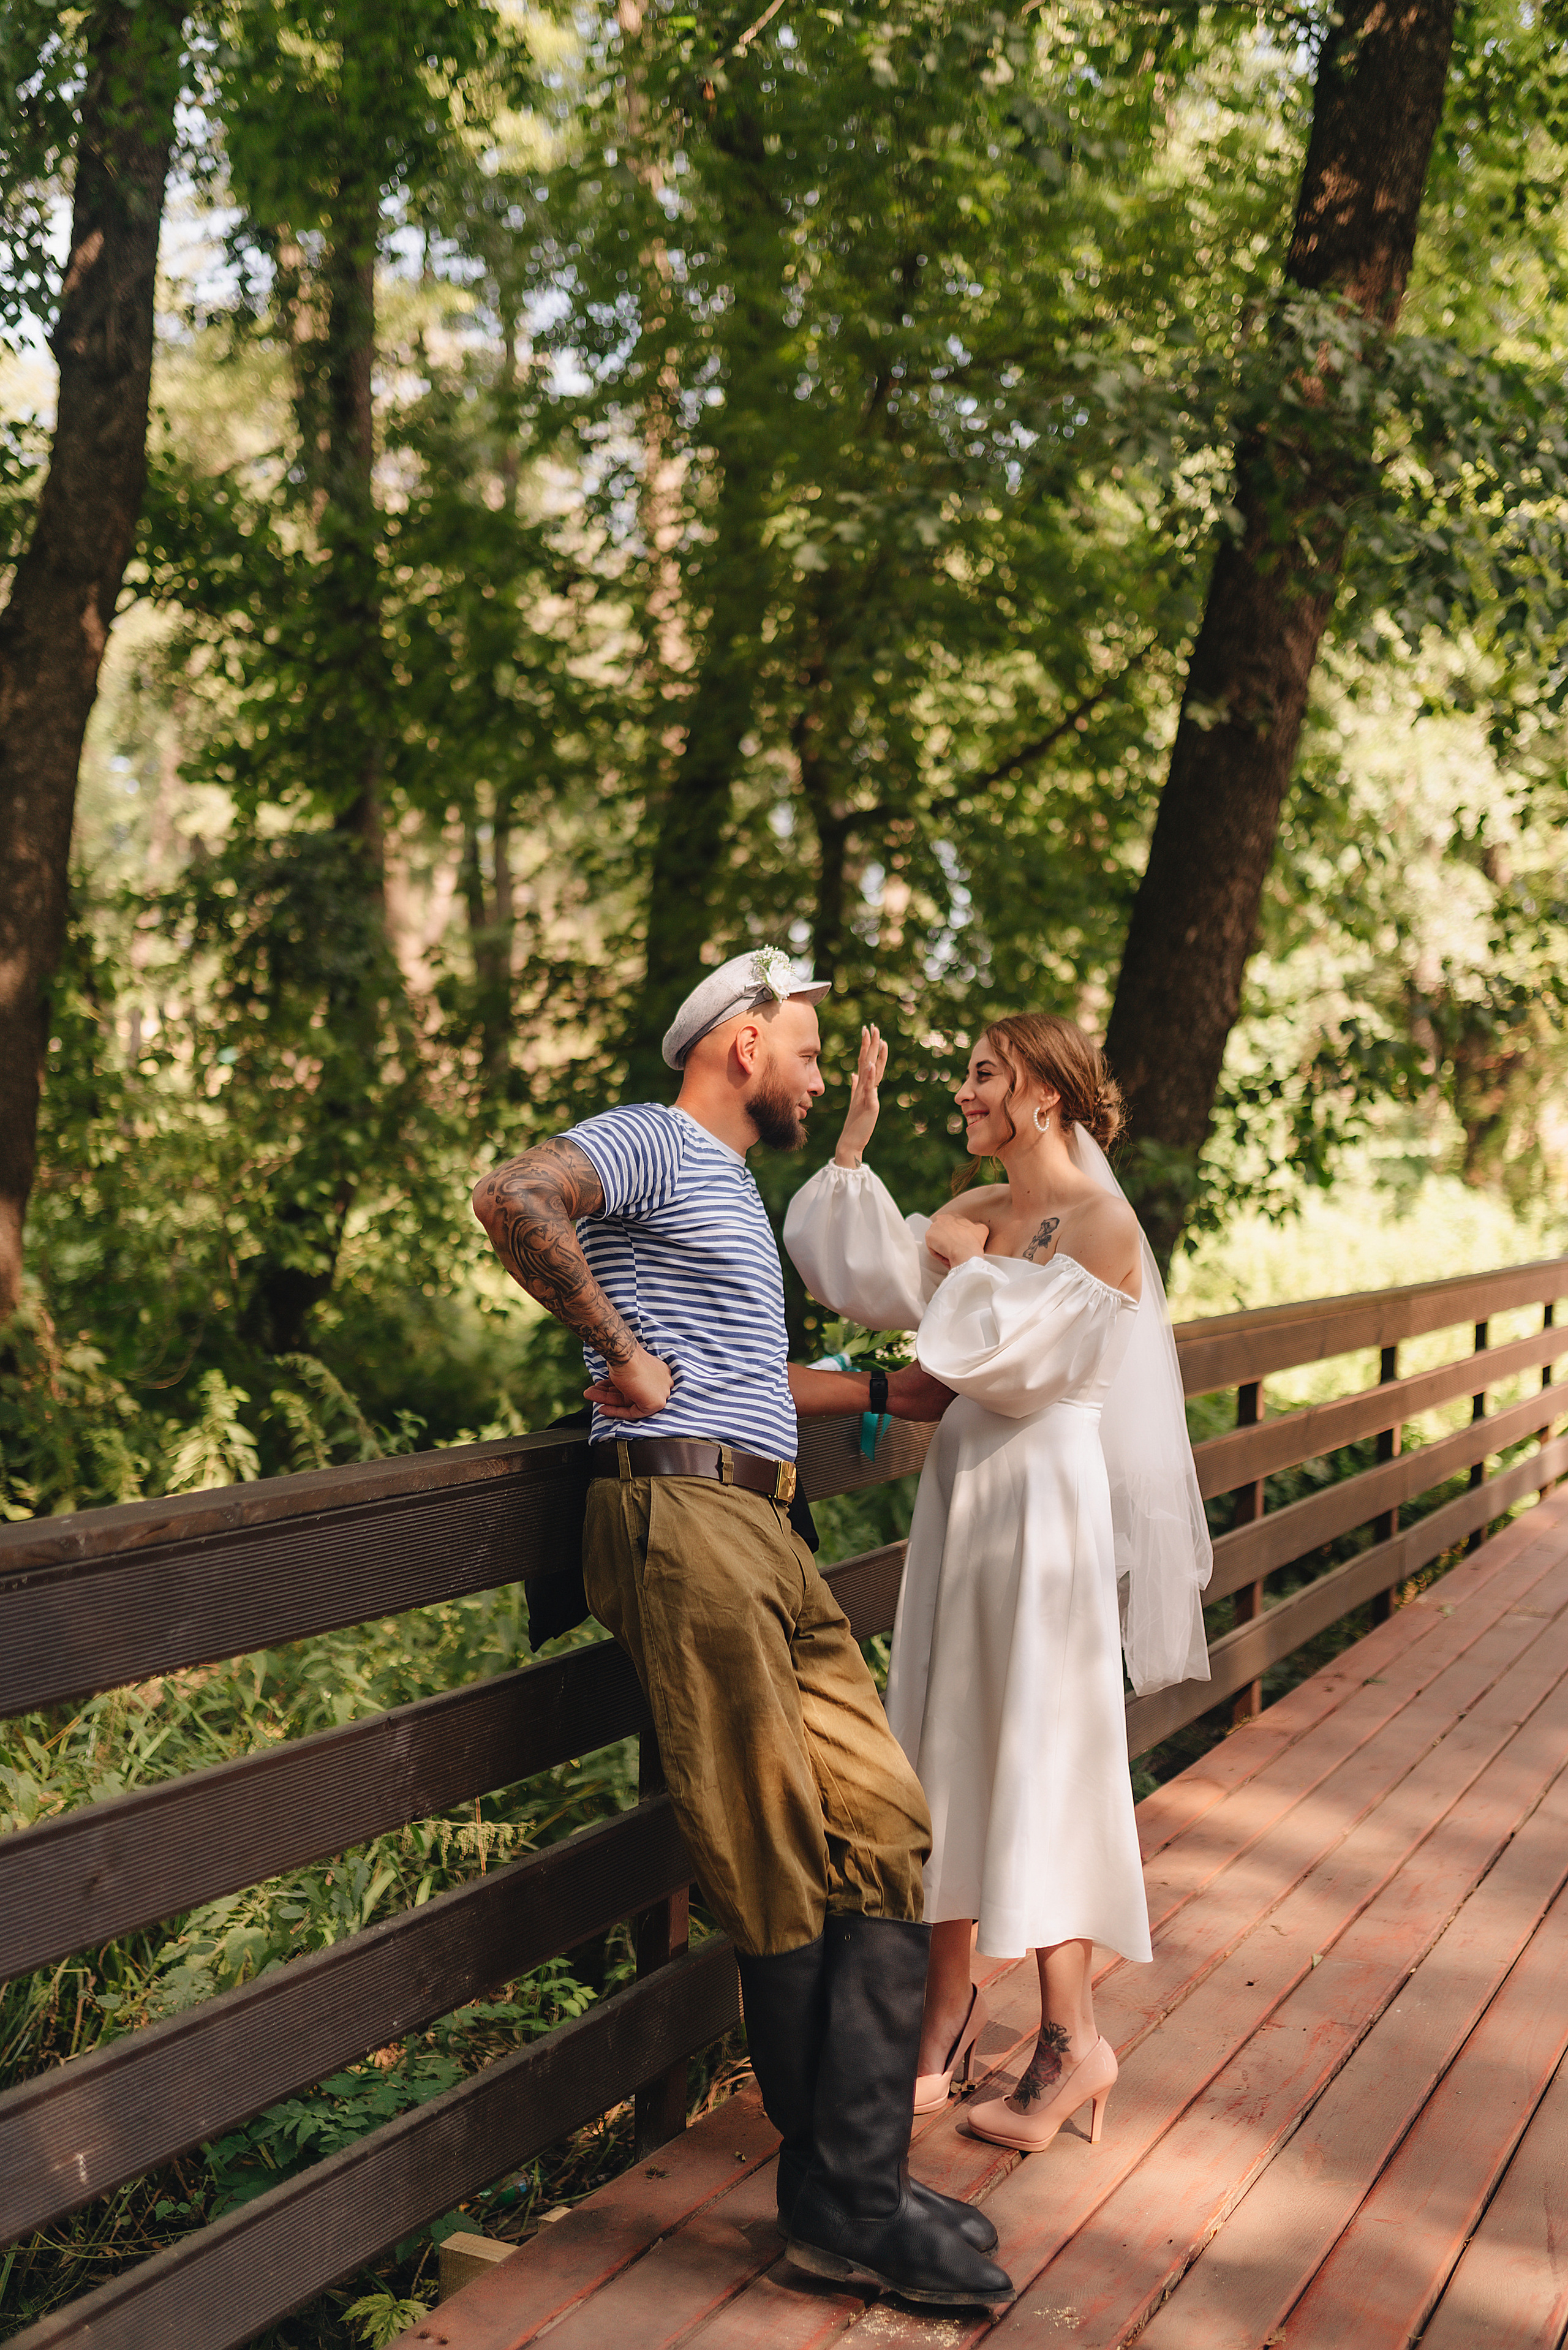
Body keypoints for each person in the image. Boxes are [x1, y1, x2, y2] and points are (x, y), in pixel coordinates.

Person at [471, 947, 1013, 2310]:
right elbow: (512, 1193)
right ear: (742, 1040)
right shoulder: (653, 1139)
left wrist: (888, 1382)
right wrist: (611, 1345)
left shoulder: (728, 1185)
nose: (820, 1067)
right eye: (809, 1045)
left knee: (885, 1821)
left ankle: (856, 2177)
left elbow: (748, 1369)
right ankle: (845, 2204)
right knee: (774, 1848)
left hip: (762, 1523)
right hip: (681, 1511)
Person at [784, 1013, 1212, 2155]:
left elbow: (997, 1364)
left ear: (1043, 1095)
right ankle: (943, 2020)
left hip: (1045, 1507)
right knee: (948, 1739)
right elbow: (871, 1279)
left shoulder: (1109, 1225)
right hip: (967, 1499)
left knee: (1039, 1746)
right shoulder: (980, 1214)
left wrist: (967, 1274)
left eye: (982, 1077)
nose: (964, 1096)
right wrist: (853, 1147)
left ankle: (1072, 2039)